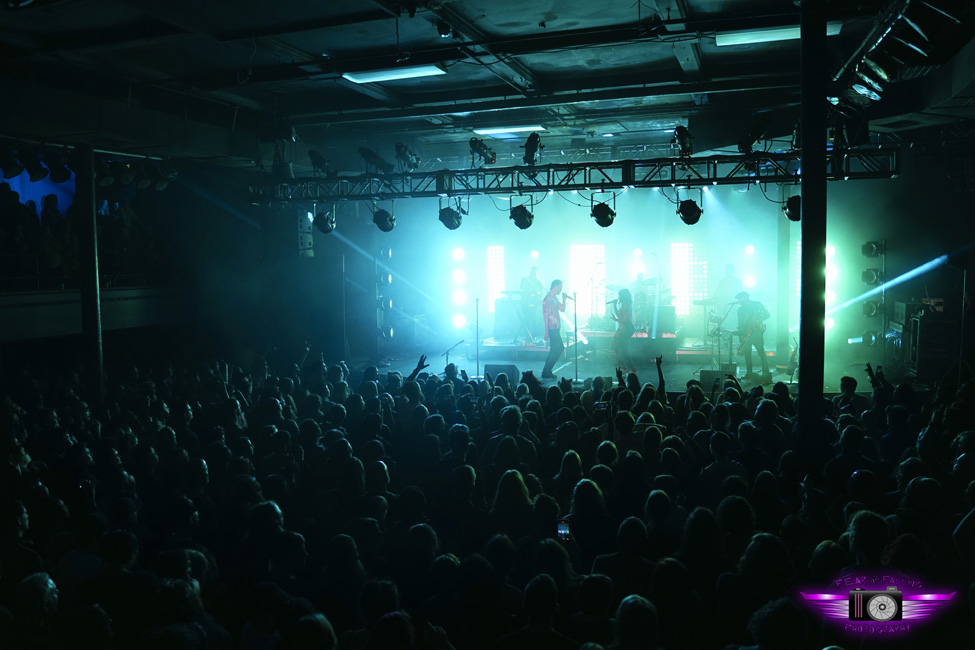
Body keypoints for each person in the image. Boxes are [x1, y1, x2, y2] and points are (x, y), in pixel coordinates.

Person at [735, 291, 771, 383]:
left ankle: (766, 373)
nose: (739, 300)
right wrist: (741, 337)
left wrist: (758, 319)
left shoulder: (757, 305)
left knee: (761, 352)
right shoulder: (740, 310)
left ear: (746, 297)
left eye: (740, 298)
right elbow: (740, 324)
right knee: (747, 354)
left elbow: (767, 315)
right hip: (746, 334)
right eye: (738, 299)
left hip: (756, 333)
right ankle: (749, 373)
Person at [541, 279, 568, 379]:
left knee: (554, 349)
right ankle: (547, 370)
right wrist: (546, 331)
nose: (561, 289)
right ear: (555, 286)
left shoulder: (554, 298)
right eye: (560, 287)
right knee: (559, 348)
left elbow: (562, 309)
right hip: (551, 327)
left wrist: (564, 299)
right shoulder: (547, 299)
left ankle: (546, 371)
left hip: (556, 326)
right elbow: (545, 316)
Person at [610, 288, 636, 373]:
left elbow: (625, 319)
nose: (618, 297)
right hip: (625, 328)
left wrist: (616, 320)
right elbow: (619, 315)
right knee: (623, 350)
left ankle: (624, 368)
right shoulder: (625, 305)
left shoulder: (625, 306)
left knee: (614, 347)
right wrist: (614, 306)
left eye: (619, 296)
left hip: (625, 329)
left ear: (623, 296)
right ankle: (630, 369)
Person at [519, 267, 545, 343]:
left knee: (532, 318)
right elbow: (521, 287)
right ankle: (527, 335)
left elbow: (540, 290)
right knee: (525, 319)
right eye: (533, 271)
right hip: (525, 301)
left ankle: (533, 336)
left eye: (535, 272)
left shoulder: (537, 281)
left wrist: (538, 297)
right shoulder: (524, 279)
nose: (534, 273)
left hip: (533, 302)